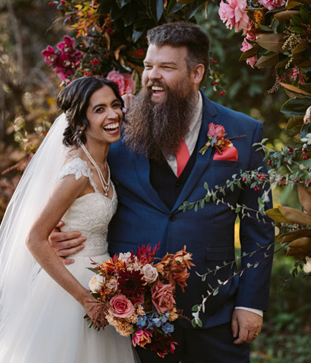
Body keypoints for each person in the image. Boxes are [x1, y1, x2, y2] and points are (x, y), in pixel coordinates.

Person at [50, 23, 274, 363]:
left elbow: (259, 227)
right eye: (149, 66)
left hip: (215, 310)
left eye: (166, 67)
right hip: (132, 312)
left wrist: (250, 303)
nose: (152, 75)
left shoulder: (244, 132)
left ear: (196, 73)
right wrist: (58, 227)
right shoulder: (115, 127)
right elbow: (74, 176)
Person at [0, 77, 136, 362]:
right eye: (99, 109)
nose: (112, 115)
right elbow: (35, 238)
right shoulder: (77, 172)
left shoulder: (104, 162)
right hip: (72, 287)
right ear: (81, 121)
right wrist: (84, 297)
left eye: (115, 105)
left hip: (102, 278)